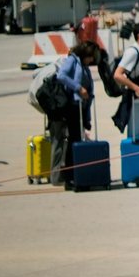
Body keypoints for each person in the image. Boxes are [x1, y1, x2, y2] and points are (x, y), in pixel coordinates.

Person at [49, 41, 98, 189]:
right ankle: (70, 177)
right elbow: (61, 76)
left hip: (81, 107)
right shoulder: (72, 61)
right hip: (72, 106)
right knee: (73, 141)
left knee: (77, 139)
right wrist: (78, 88)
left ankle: (76, 173)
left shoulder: (83, 66)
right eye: (90, 57)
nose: (92, 60)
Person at [113, 21, 139, 142]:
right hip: (135, 103)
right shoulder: (133, 52)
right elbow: (117, 75)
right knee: (137, 138)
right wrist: (136, 88)